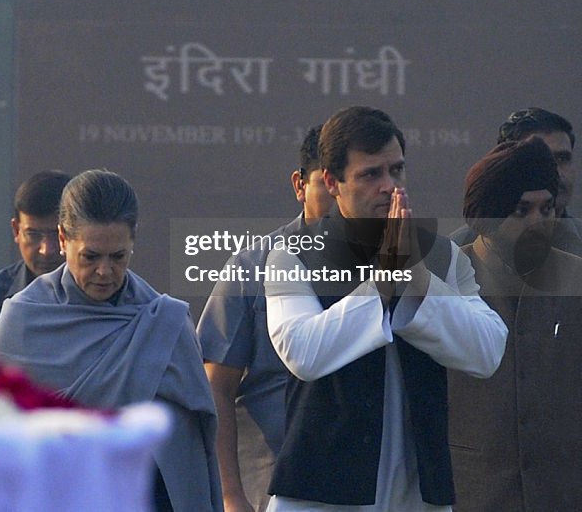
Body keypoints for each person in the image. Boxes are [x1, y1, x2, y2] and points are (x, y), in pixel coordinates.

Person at [262, 106, 507, 511]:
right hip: (320, 495)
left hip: (418, 496)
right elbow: (303, 352)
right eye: (371, 174)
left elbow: (487, 351)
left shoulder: (442, 256)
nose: (388, 186)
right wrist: (381, 286)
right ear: (331, 182)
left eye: (397, 170)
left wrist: (418, 281)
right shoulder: (293, 255)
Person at [0, 169, 223, 512]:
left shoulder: (165, 323)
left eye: (118, 257)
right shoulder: (25, 319)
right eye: (90, 256)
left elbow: (190, 451)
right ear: (64, 240)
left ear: (133, 242)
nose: (104, 272)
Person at [198, 125, 332, 512]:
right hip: (269, 492)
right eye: (326, 182)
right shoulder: (252, 267)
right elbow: (216, 385)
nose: (339, 195)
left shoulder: (389, 268)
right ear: (299, 184)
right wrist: (229, 495)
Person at [448, 137, 582, 511]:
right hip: (470, 494)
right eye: (522, 210)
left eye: (547, 208)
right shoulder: (445, 280)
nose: (538, 222)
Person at [450, 108, 581, 255]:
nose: (555, 172)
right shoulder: (455, 252)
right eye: (537, 161)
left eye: (562, 159)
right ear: (505, 165)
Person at [0, 170, 72, 321]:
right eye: (33, 235)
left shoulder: (111, 296)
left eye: (58, 235)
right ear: (16, 230)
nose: (46, 250)